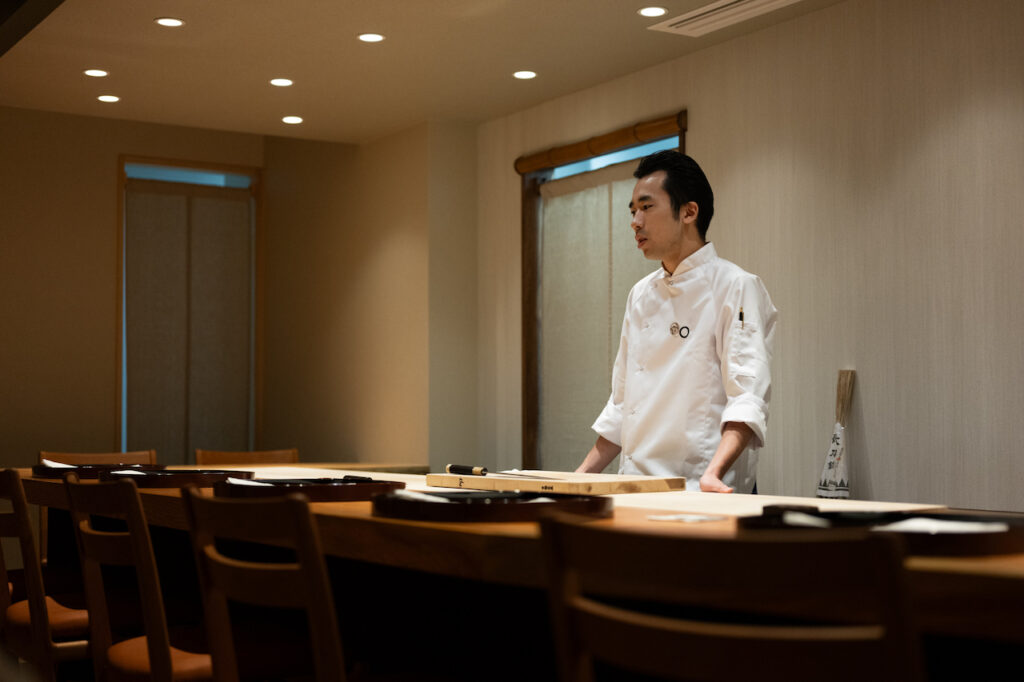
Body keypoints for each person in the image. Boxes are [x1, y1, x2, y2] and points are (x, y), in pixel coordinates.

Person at [575, 150, 777, 493]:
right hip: (635, 486)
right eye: (632, 211)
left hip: (702, 488)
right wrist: (576, 480)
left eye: (646, 206)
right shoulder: (640, 294)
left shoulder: (736, 286)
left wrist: (712, 474)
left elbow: (747, 397)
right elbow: (622, 407)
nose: (635, 221)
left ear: (689, 211)